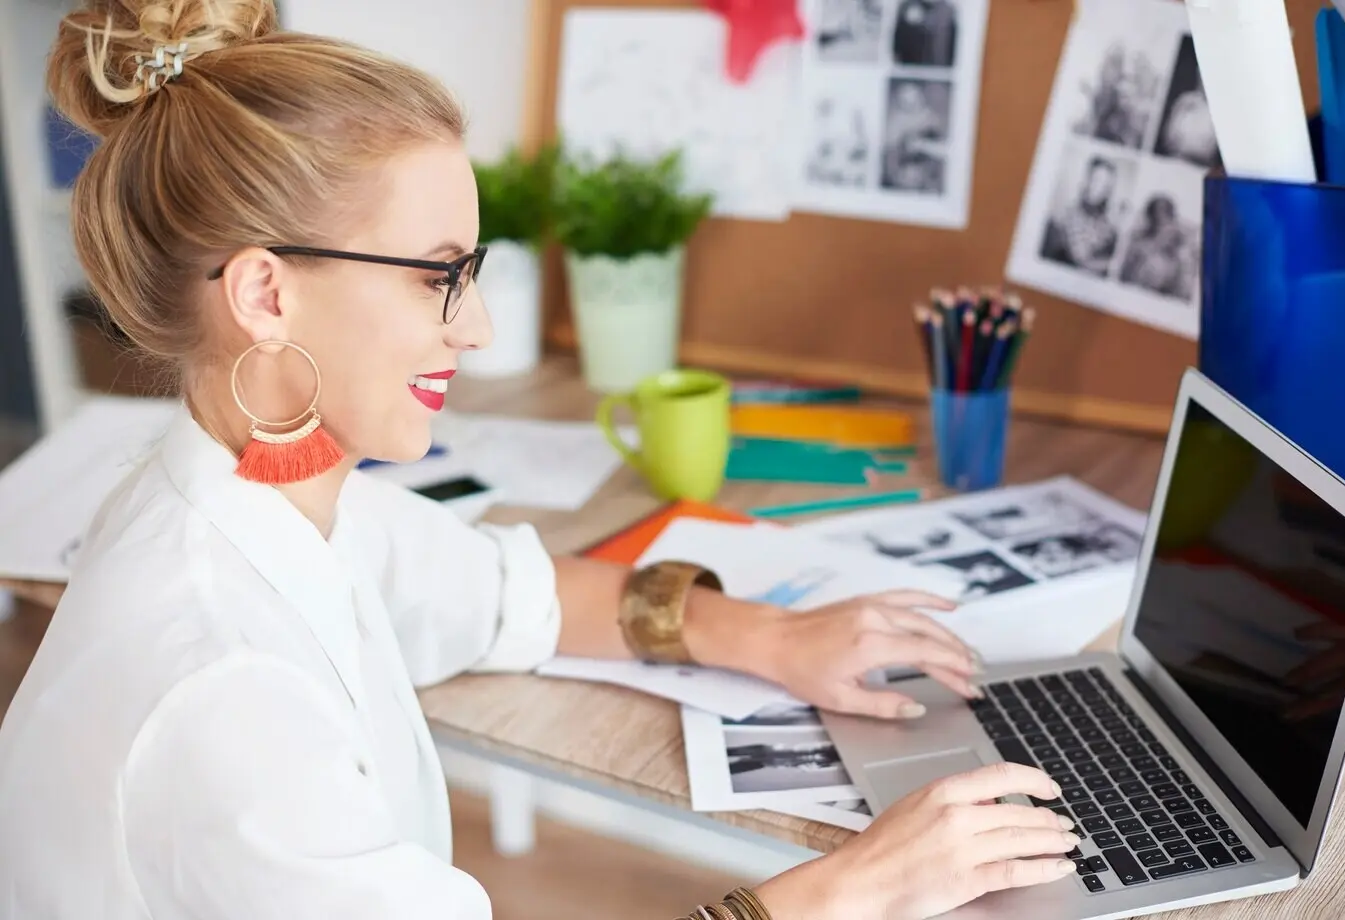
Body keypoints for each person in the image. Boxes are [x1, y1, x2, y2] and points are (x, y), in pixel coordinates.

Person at [0, 2, 1080, 918]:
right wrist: (848, 887)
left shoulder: (261, 493)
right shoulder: (225, 689)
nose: (471, 328)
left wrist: (772, 634)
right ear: (265, 295)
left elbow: (510, 590)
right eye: (437, 277)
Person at [1040, 156, 1122, 276]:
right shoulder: (1069, 215)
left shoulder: (1105, 219)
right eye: (1097, 180)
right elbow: (1082, 261)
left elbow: (1108, 239)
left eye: (1107, 185)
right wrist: (1113, 263)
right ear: (1086, 180)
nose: (1101, 189)